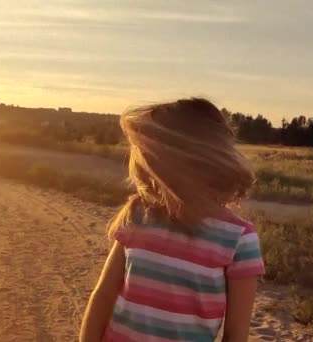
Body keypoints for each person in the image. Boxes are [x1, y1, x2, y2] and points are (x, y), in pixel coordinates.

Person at [79, 98, 265, 342]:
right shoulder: (139, 213)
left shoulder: (239, 239)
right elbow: (103, 295)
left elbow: (235, 335)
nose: (143, 167)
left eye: (150, 157)